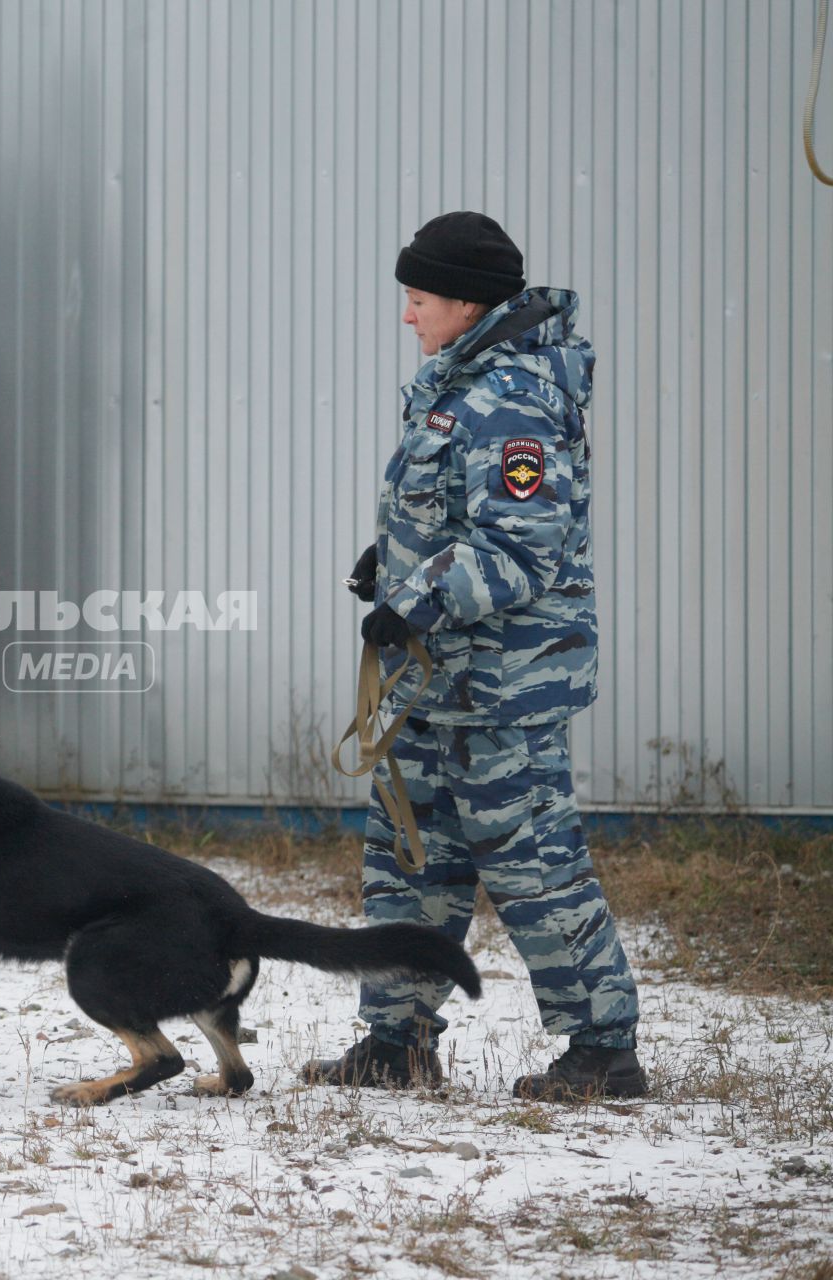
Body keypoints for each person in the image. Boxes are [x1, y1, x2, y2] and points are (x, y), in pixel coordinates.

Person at [306, 212, 646, 1102]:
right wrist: (395, 561)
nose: (407, 315)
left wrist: (413, 600)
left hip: (505, 683)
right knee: (410, 861)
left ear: (465, 301)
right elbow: (459, 515)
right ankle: (395, 1040)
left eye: (418, 299)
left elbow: (522, 548)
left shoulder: (515, 400)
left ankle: (604, 1050)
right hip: (437, 677)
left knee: (533, 864)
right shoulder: (459, 382)